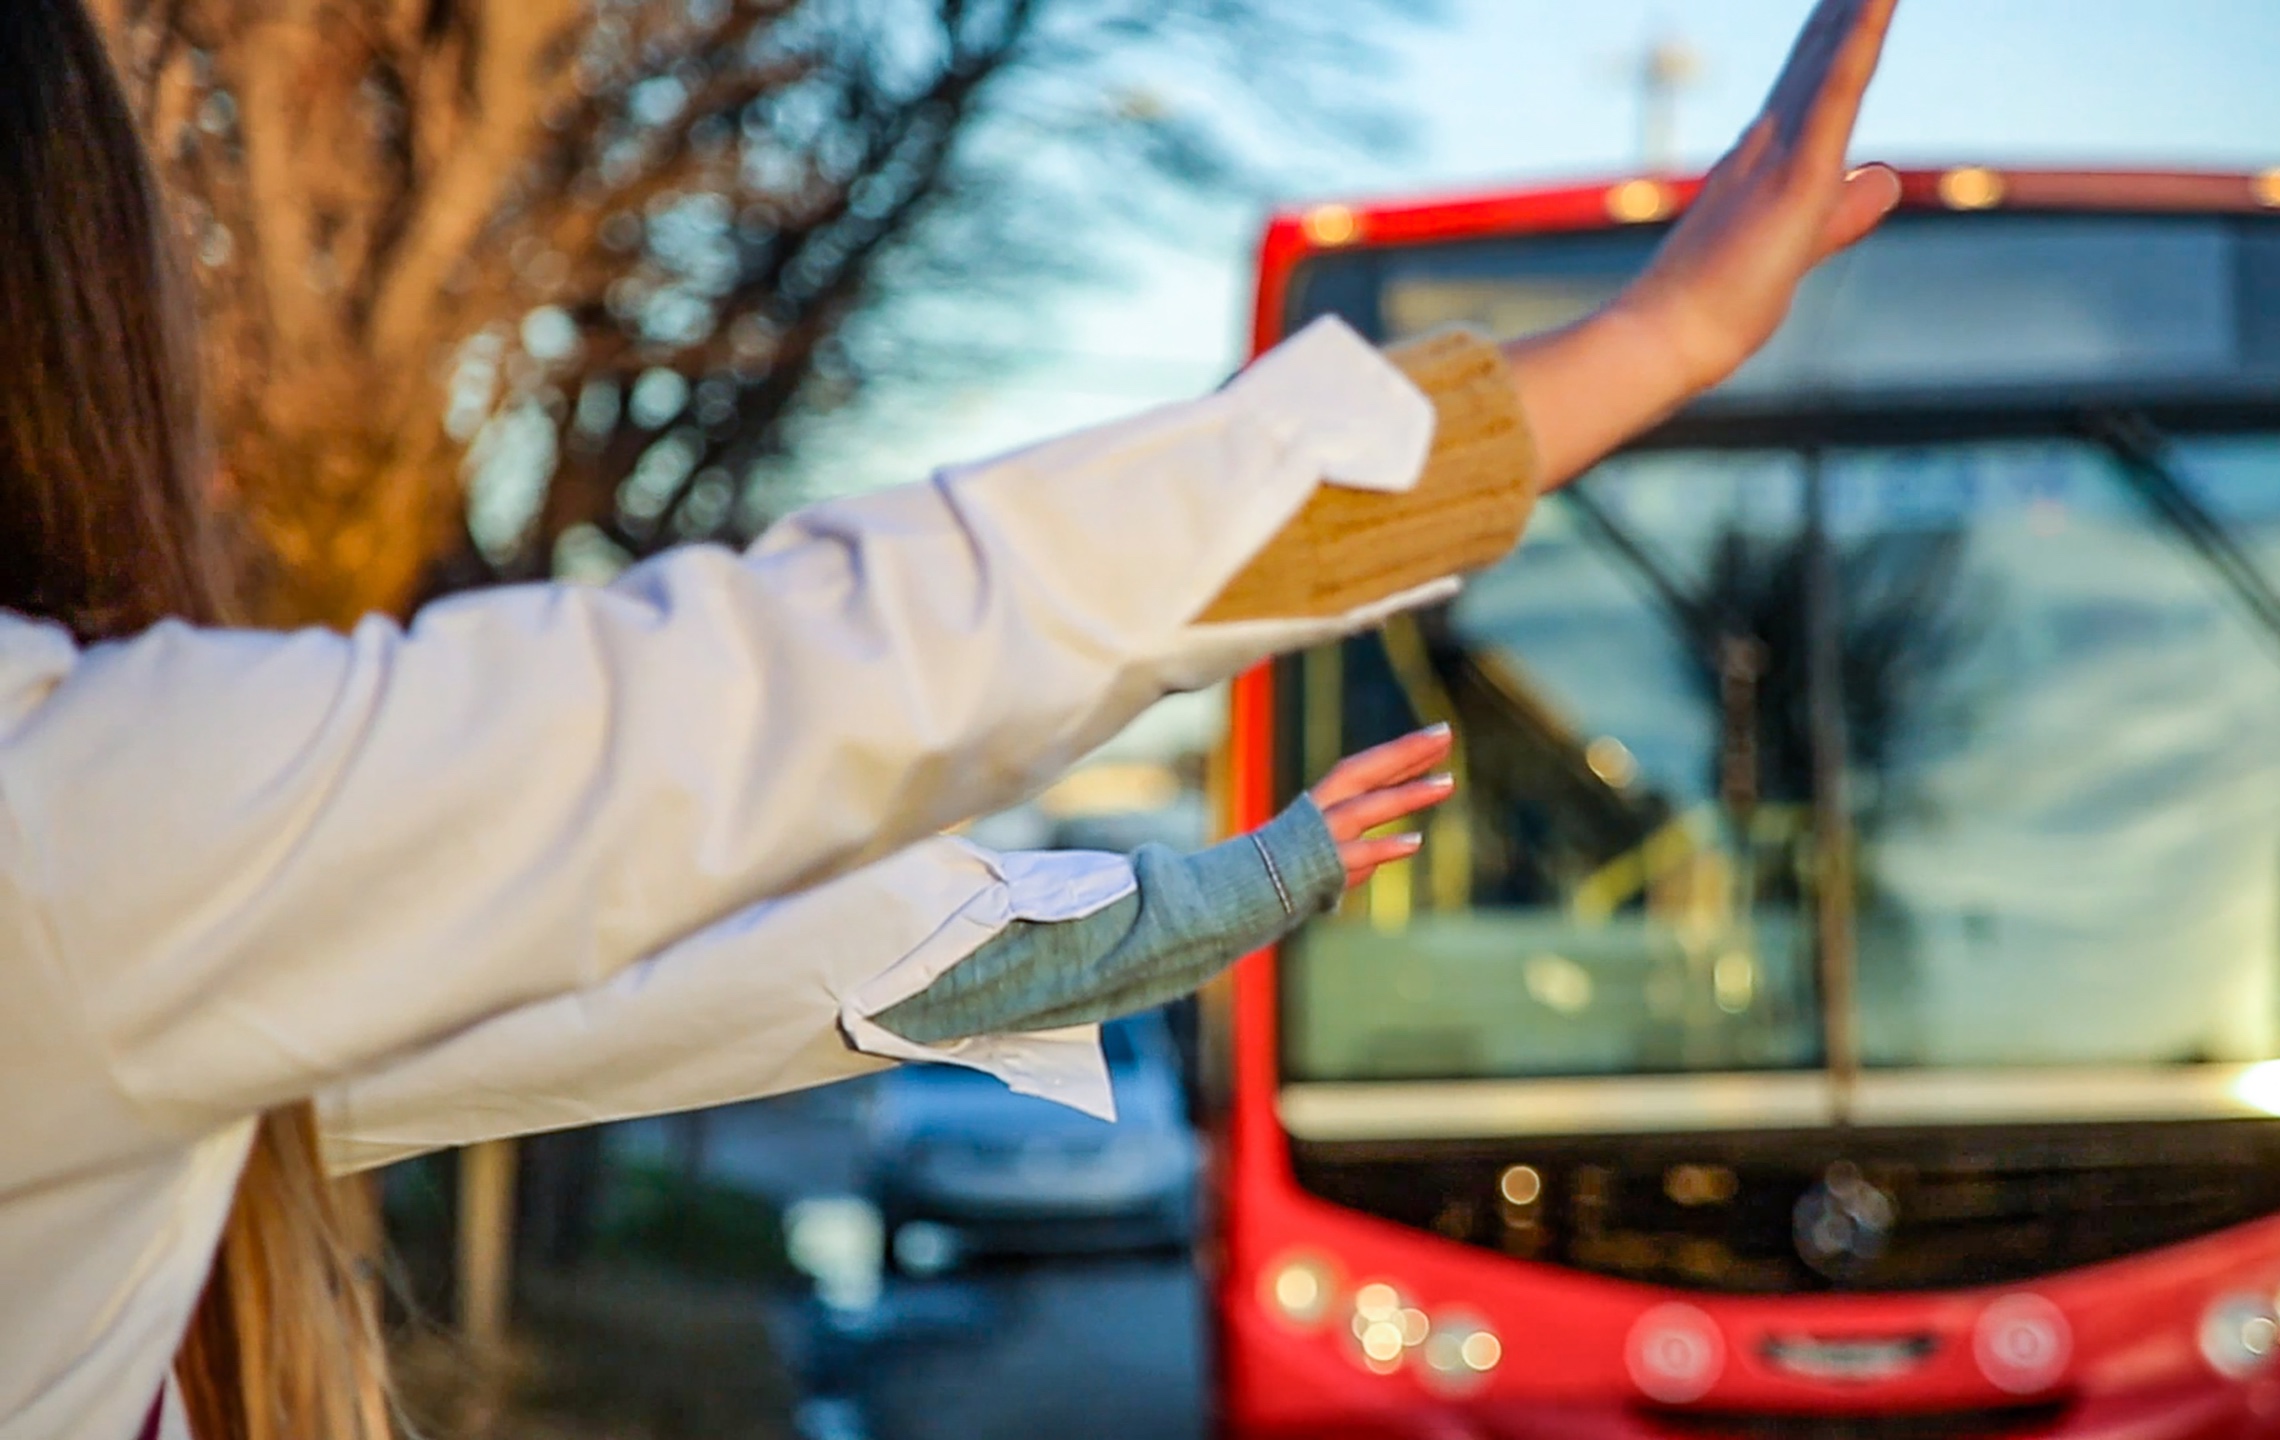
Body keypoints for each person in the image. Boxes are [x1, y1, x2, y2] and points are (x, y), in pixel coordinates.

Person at [0, 0, 1902, 1434]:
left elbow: (645, 971)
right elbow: (847, 663)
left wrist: (1162, 912)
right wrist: (1642, 348)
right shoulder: (70, 838)